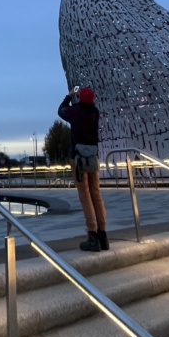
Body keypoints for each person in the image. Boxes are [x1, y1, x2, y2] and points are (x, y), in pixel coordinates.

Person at [58, 86, 108, 251]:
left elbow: (60, 111)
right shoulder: (95, 112)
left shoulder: (75, 111)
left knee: (85, 195)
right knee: (96, 194)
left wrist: (69, 96)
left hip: (78, 158)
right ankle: (103, 235)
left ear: (80, 97)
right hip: (93, 158)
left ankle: (92, 235)